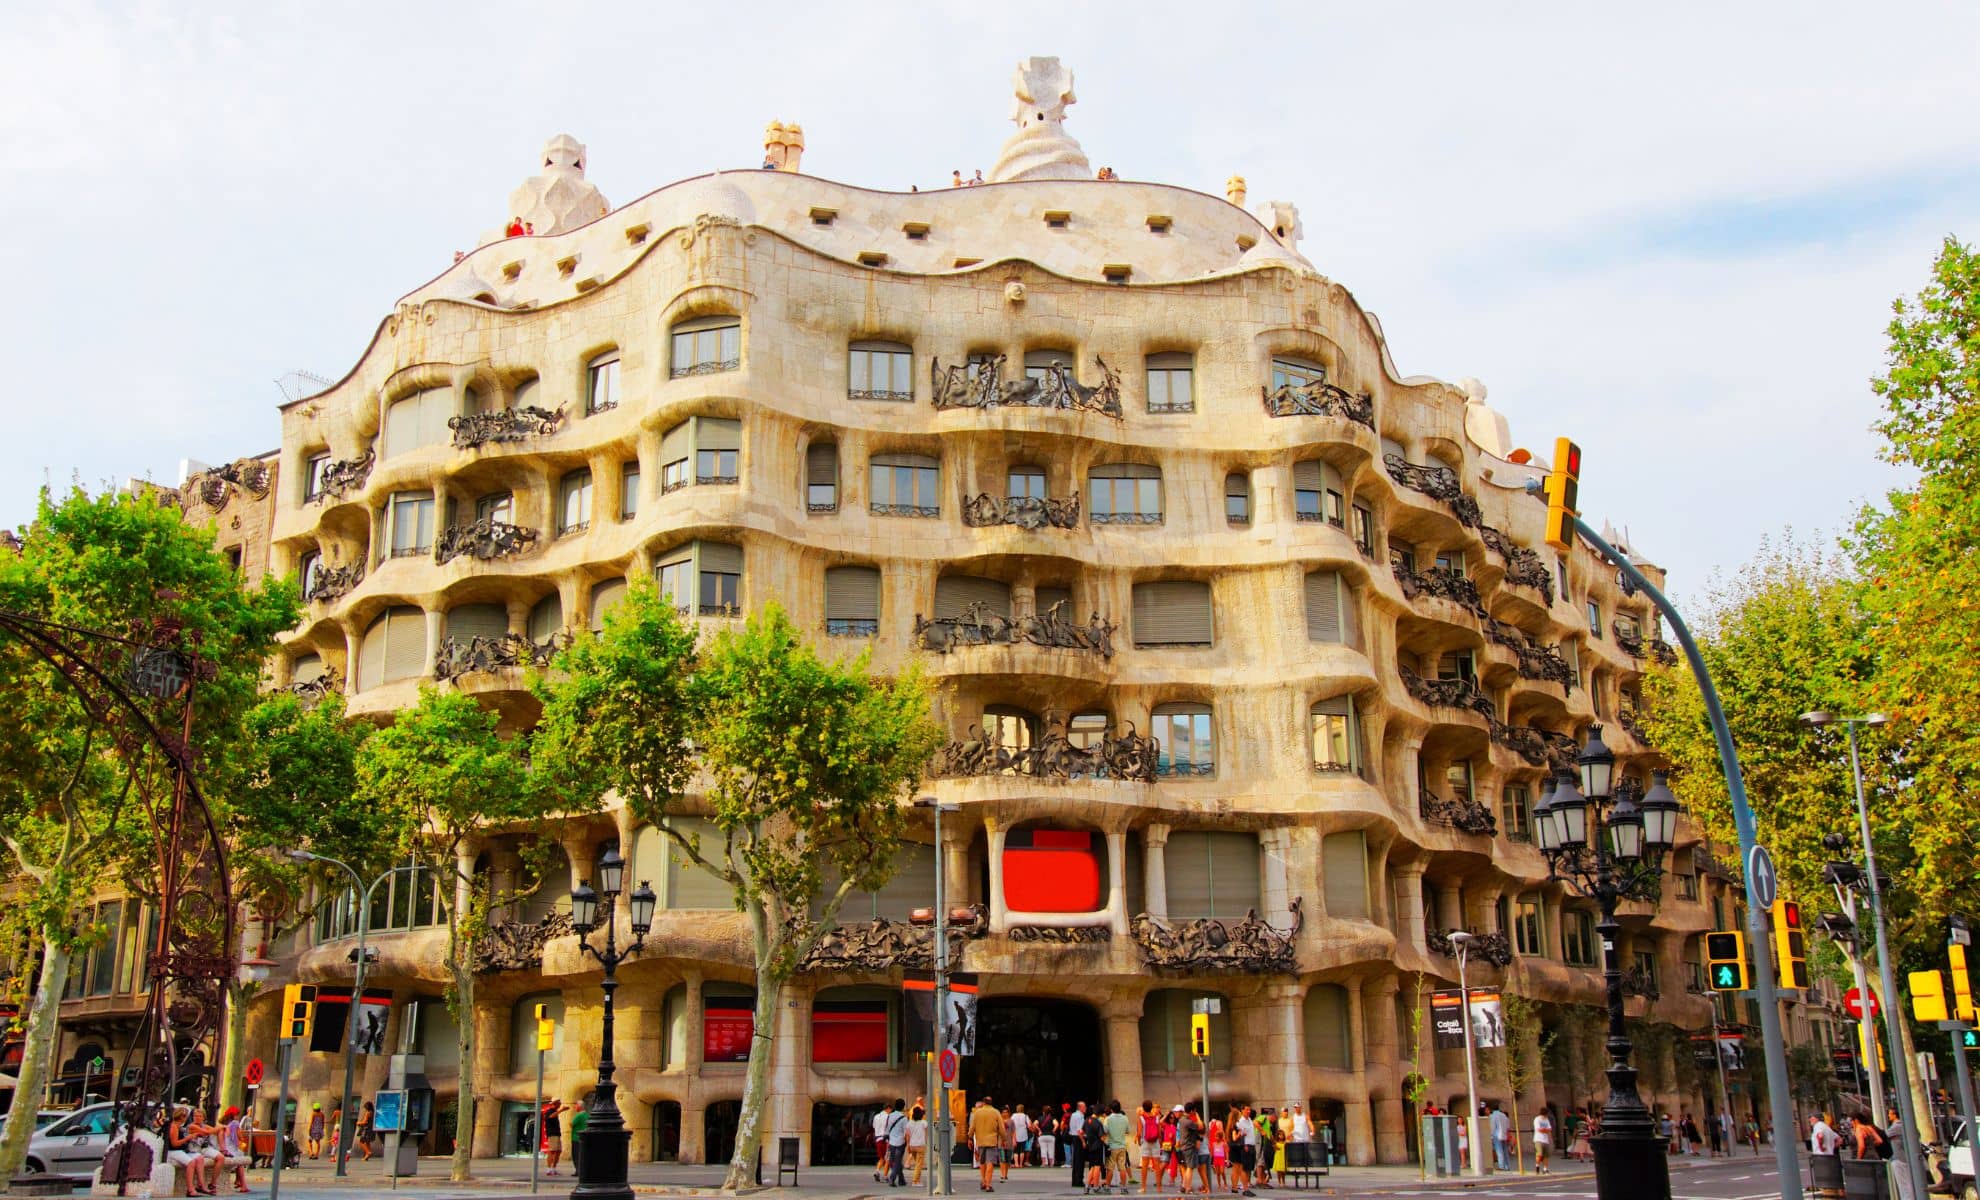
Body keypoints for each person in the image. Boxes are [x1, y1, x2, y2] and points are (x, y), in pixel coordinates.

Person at [166, 1105, 215, 1196]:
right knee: (191, 1162)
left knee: (199, 1158)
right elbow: (174, 1144)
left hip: (181, 1150)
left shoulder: (179, 1126)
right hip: (173, 1151)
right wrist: (188, 1138)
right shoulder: (174, 1127)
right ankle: (190, 1189)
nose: (187, 1118)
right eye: (185, 1116)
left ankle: (201, 1185)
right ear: (181, 1117)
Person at [970, 1095, 1003, 1192]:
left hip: (980, 1141)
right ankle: (988, 1184)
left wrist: (969, 1137)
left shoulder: (977, 1113)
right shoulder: (996, 1112)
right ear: (991, 1102)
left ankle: (983, 1181)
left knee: (982, 1162)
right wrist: (1004, 1139)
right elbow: (1001, 1127)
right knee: (990, 1163)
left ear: (984, 1103)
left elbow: (972, 1127)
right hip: (992, 1141)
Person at [219, 1105, 250, 1194]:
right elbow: (240, 1136)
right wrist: (242, 1139)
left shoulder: (224, 1124)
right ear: (234, 1115)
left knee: (240, 1157)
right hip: (231, 1150)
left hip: (225, 1148)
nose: (238, 1116)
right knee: (240, 1160)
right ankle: (243, 1185)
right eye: (237, 1114)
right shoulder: (235, 1123)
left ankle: (238, 1181)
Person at [1082, 1104, 1108, 1194]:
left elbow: (1081, 1132)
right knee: (1097, 1167)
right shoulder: (1098, 1123)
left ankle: (1087, 1186)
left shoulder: (1086, 1120)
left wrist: (1085, 1141)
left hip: (1090, 1146)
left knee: (1092, 1167)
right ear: (1100, 1113)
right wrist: (1106, 1137)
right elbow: (1102, 1137)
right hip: (1098, 1146)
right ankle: (1096, 1186)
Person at [885, 1098, 910, 1187]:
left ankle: (901, 1180)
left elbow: (887, 1128)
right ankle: (892, 1179)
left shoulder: (890, 1116)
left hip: (891, 1142)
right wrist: (907, 1143)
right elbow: (906, 1132)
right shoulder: (904, 1118)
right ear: (903, 1107)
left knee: (894, 1162)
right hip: (900, 1142)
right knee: (897, 1161)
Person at [907, 1103, 929, 1185]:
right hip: (920, 1145)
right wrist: (925, 1143)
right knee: (919, 1165)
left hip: (912, 1145)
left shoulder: (909, 1123)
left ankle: (918, 1181)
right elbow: (926, 1134)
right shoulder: (924, 1123)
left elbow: (908, 1135)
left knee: (917, 1164)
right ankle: (915, 1181)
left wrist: (908, 1145)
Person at [1068, 1102, 1088, 1188]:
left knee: (1076, 1160)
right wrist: (1083, 1141)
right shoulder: (1080, 1116)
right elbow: (1080, 1131)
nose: (1086, 1108)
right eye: (1084, 1107)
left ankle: (1075, 1180)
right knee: (1080, 1161)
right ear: (1080, 1108)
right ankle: (1079, 1180)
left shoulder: (1073, 1115)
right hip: (1079, 1138)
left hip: (1074, 1138)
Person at [542, 1099, 565, 1175]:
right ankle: (549, 1169)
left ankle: (553, 1168)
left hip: (557, 1134)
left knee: (558, 1151)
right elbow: (551, 1116)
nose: (560, 1105)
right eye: (559, 1103)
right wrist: (561, 1110)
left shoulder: (554, 1111)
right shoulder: (549, 1111)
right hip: (552, 1134)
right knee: (552, 1151)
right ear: (555, 1104)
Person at [1490, 1102, 1512, 1171]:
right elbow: (1507, 1126)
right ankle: (1507, 1166)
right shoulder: (1504, 1115)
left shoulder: (1493, 1116)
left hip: (1497, 1135)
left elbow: (1492, 1127)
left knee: (1499, 1151)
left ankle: (1501, 1166)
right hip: (1504, 1135)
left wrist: (1491, 1135)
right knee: (1505, 1151)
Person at [874, 1104, 894, 1182]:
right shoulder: (888, 1117)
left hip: (878, 1139)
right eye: (891, 1110)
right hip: (886, 1139)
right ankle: (885, 1176)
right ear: (888, 1108)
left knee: (882, 1158)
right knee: (888, 1159)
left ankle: (877, 1171)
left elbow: (874, 1127)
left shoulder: (876, 1116)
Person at [1532, 1109, 1553, 1176]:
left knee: (1546, 1156)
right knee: (1540, 1154)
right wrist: (1545, 1130)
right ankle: (1537, 1166)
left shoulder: (1546, 1120)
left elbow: (1550, 1129)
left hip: (1545, 1140)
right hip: (1538, 1139)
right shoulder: (1537, 1119)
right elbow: (1539, 1129)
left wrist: (1545, 1130)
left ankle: (1545, 1169)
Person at [1011, 1104, 1031, 1169]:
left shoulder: (1013, 1115)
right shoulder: (1025, 1116)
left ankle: (1016, 1164)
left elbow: (1011, 1123)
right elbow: (1029, 1125)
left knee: (1016, 1150)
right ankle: (1021, 1164)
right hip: (1023, 1134)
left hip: (1015, 1134)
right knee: (1022, 1150)